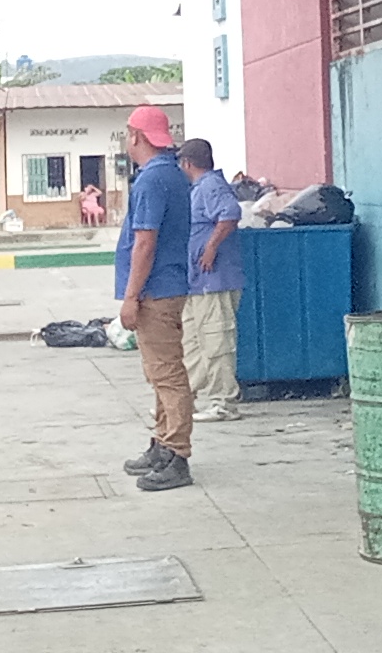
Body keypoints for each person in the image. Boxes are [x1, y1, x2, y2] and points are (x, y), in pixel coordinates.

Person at [112, 104, 194, 491]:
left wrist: (131, 297)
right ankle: (163, 443)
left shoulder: (150, 180)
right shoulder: (172, 174)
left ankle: (176, 453)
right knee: (160, 372)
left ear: (136, 136)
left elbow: (145, 243)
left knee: (167, 374)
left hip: (155, 289)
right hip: (169, 285)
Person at [176, 139, 244, 422]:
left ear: (187, 163)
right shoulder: (197, 189)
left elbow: (230, 214)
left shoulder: (211, 186)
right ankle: (184, 399)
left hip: (215, 280)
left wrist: (211, 247)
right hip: (197, 282)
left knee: (216, 342)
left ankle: (224, 402)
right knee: (192, 343)